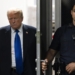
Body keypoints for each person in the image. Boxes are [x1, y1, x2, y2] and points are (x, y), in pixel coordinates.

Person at [42, 2, 75, 75]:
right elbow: (52, 52)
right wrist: (45, 62)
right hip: (65, 72)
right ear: (71, 12)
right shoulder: (61, 31)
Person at [0, 8, 36, 75]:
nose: (13, 21)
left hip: (27, 71)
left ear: (22, 18)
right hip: (8, 71)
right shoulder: (1, 33)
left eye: (15, 18)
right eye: (10, 19)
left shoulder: (33, 32)